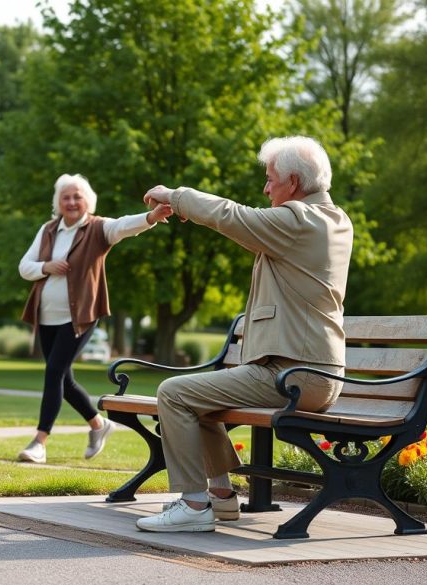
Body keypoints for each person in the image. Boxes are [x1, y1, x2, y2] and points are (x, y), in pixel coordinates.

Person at [133, 136, 353, 532]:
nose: (266, 189)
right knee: (197, 395)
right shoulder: (329, 219)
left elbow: (232, 215)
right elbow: (237, 222)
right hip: (309, 371)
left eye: (270, 180)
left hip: (295, 374)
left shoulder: (301, 221)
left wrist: (176, 196)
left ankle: (194, 505)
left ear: (292, 181)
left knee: (173, 393)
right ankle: (219, 498)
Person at [18, 173, 173, 463]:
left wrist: (150, 216)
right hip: (47, 317)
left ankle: (39, 442)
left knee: (53, 374)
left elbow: (124, 225)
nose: (72, 201)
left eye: (77, 196)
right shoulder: (48, 230)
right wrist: (47, 266)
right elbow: (25, 267)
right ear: (58, 202)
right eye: (66, 197)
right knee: (63, 379)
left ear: (87, 200)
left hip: (80, 317)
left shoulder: (98, 228)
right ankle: (99, 425)